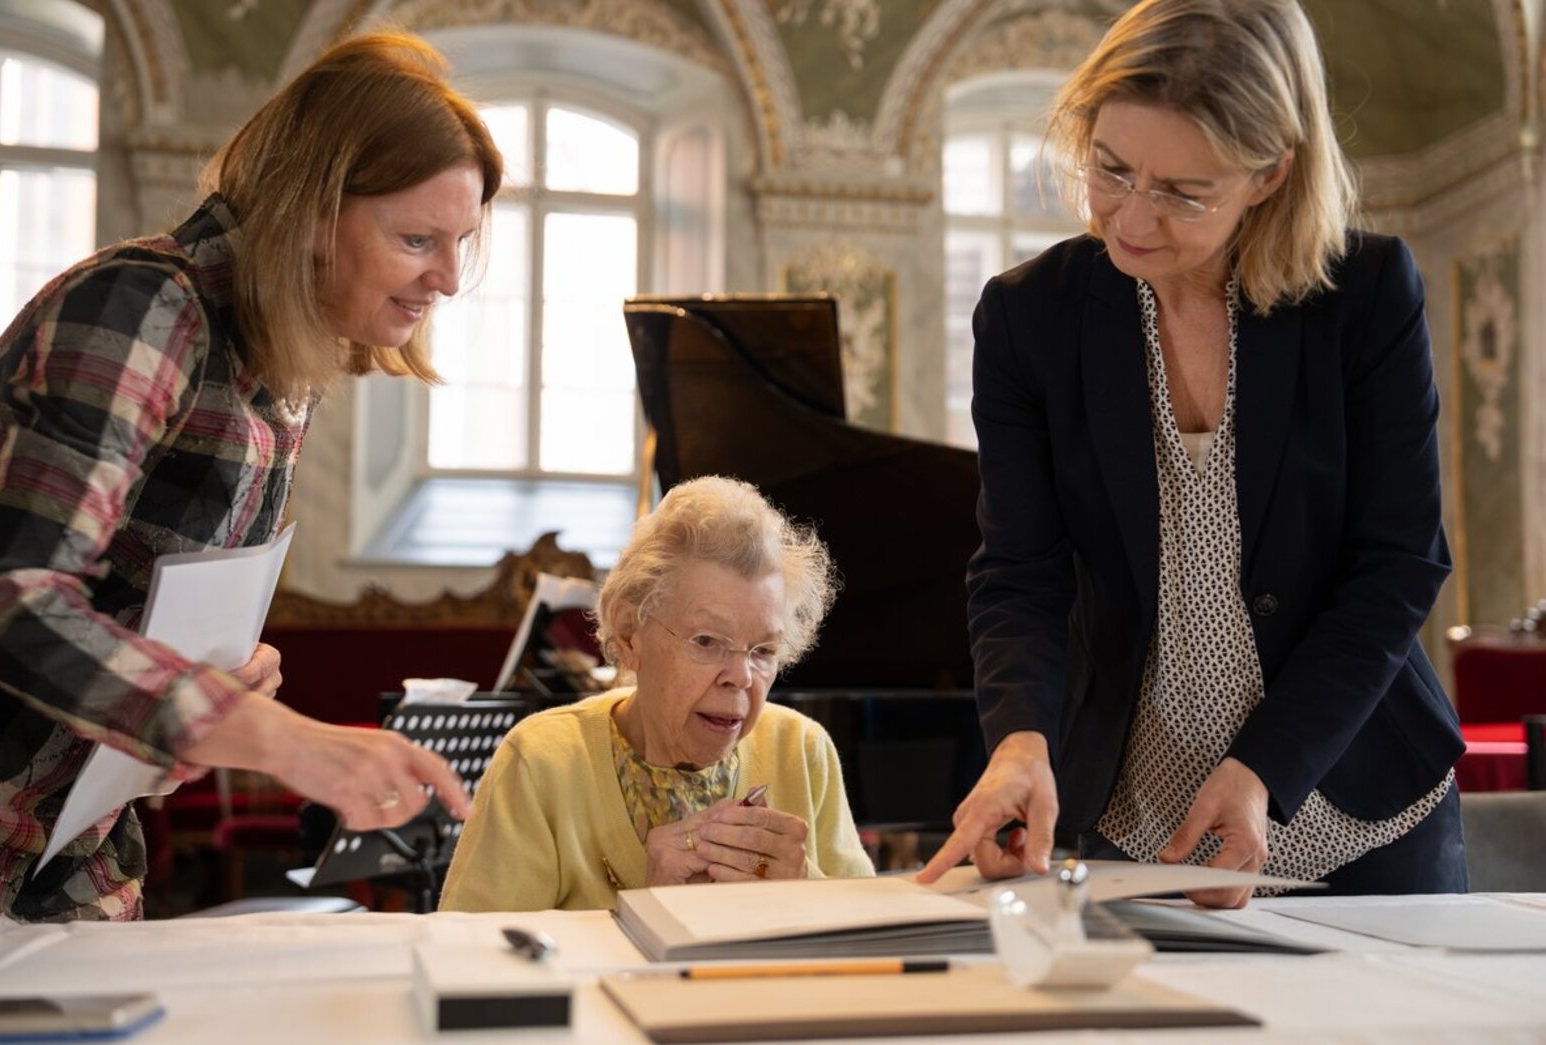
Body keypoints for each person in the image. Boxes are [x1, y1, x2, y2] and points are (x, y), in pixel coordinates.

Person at [918, 0, 1465, 906]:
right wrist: (1020, 740)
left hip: (1363, 805)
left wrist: (1262, 770)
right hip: (1139, 819)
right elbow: (1021, 572)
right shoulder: (1028, 319)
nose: (1132, 217)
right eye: (1111, 168)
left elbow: (1398, 564)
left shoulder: (1365, 295)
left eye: (1181, 192)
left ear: (1270, 173)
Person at [0, 31, 504, 923]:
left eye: (461, 242)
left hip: (62, 854)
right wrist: (272, 734)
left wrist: (221, 678)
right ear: (312, 214)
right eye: (418, 238)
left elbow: (121, 612)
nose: (448, 280)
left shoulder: (281, 364)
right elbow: (9, 599)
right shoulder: (147, 307)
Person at [441, 476, 874, 912]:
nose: (741, 677)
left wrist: (804, 887)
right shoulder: (541, 761)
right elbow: (473, 948)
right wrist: (644, 912)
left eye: (763, 650)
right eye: (707, 641)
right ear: (630, 635)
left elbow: (873, 932)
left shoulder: (801, 749)